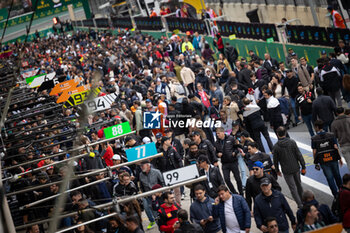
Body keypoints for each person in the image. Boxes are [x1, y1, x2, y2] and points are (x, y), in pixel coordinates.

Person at [273, 126, 306, 208]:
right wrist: (303, 166)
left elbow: (275, 160)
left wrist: (277, 170)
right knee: (299, 185)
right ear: (285, 133)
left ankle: (300, 204)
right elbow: (299, 155)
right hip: (296, 167)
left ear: (277, 134)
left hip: (286, 170)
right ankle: (304, 201)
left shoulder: (276, 146)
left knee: (293, 188)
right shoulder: (292, 142)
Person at [312, 120, 343, 197]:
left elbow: (314, 151)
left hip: (324, 161)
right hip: (333, 158)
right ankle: (342, 192)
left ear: (316, 127)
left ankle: (336, 195)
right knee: (337, 176)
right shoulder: (331, 135)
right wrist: (340, 158)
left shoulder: (314, 138)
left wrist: (316, 162)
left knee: (330, 178)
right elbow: (336, 147)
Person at [214, 127, 243, 195]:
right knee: (226, 180)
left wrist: (235, 153)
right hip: (224, 163)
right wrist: (218, 154)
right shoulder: (216, 142)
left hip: (233, 161)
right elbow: (215, 152)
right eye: (217, 133)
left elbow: (237, 147)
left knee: (238, 179)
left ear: (223, 132)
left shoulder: (231, 138)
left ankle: (241, 193)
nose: (217, 135)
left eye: (219, 133)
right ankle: (234, 193)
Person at [139, 161, 165, 229]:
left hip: (158, 196)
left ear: (148, 165)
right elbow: (141, 186)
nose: (141, 167)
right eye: (140, 166)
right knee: (154, 215)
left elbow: (162, 182)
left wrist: (159, 193)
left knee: (161, 213)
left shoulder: (156, 172)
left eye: (142, 165)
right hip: (148, 197)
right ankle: (160, 228)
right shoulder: (141, 174)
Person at [331, 107, 350, 171]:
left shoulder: (334, 123)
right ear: (344, 111)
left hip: (343, 145)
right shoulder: (349, 119)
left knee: (349, 163)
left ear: (336, 113)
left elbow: (334, 136)